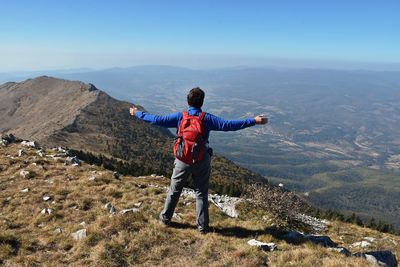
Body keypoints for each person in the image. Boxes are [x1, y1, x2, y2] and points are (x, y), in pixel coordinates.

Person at [130, 87, 267, 234]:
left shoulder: (180, 117)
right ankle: (202, 227)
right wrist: (254, 121)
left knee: (174, 190)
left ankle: (165, 218)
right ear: (202, 102)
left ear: (188, 101)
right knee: (201, 193)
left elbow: (156, 120)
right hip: (201, 160)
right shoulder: (206, 119)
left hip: (182, 160)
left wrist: (136, 113)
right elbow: (228, 125)